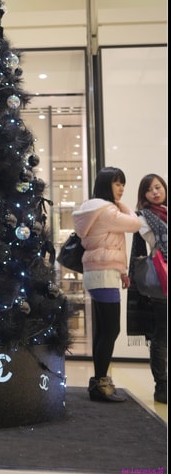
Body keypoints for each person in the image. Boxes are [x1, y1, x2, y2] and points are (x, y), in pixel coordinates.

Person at [72, 167, 141, 402]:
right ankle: (100, 382)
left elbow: (112, 242)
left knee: (104, 330)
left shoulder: (95, 210)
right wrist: (122, 206)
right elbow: (135, 224)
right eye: (117, 183)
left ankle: (99, 382)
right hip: (102, 275)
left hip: (101, 273)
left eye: (123, 184)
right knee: (111, 330)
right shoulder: (107, 211)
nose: (121, 189)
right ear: (105, 185)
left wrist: (121, 271)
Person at [127, 174, 167, 404]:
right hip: (161, 281)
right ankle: (162, 386)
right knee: (162, 334)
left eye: (158, 187)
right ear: (144, 195)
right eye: (150, 189)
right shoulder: (142, 218)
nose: (155, 192)